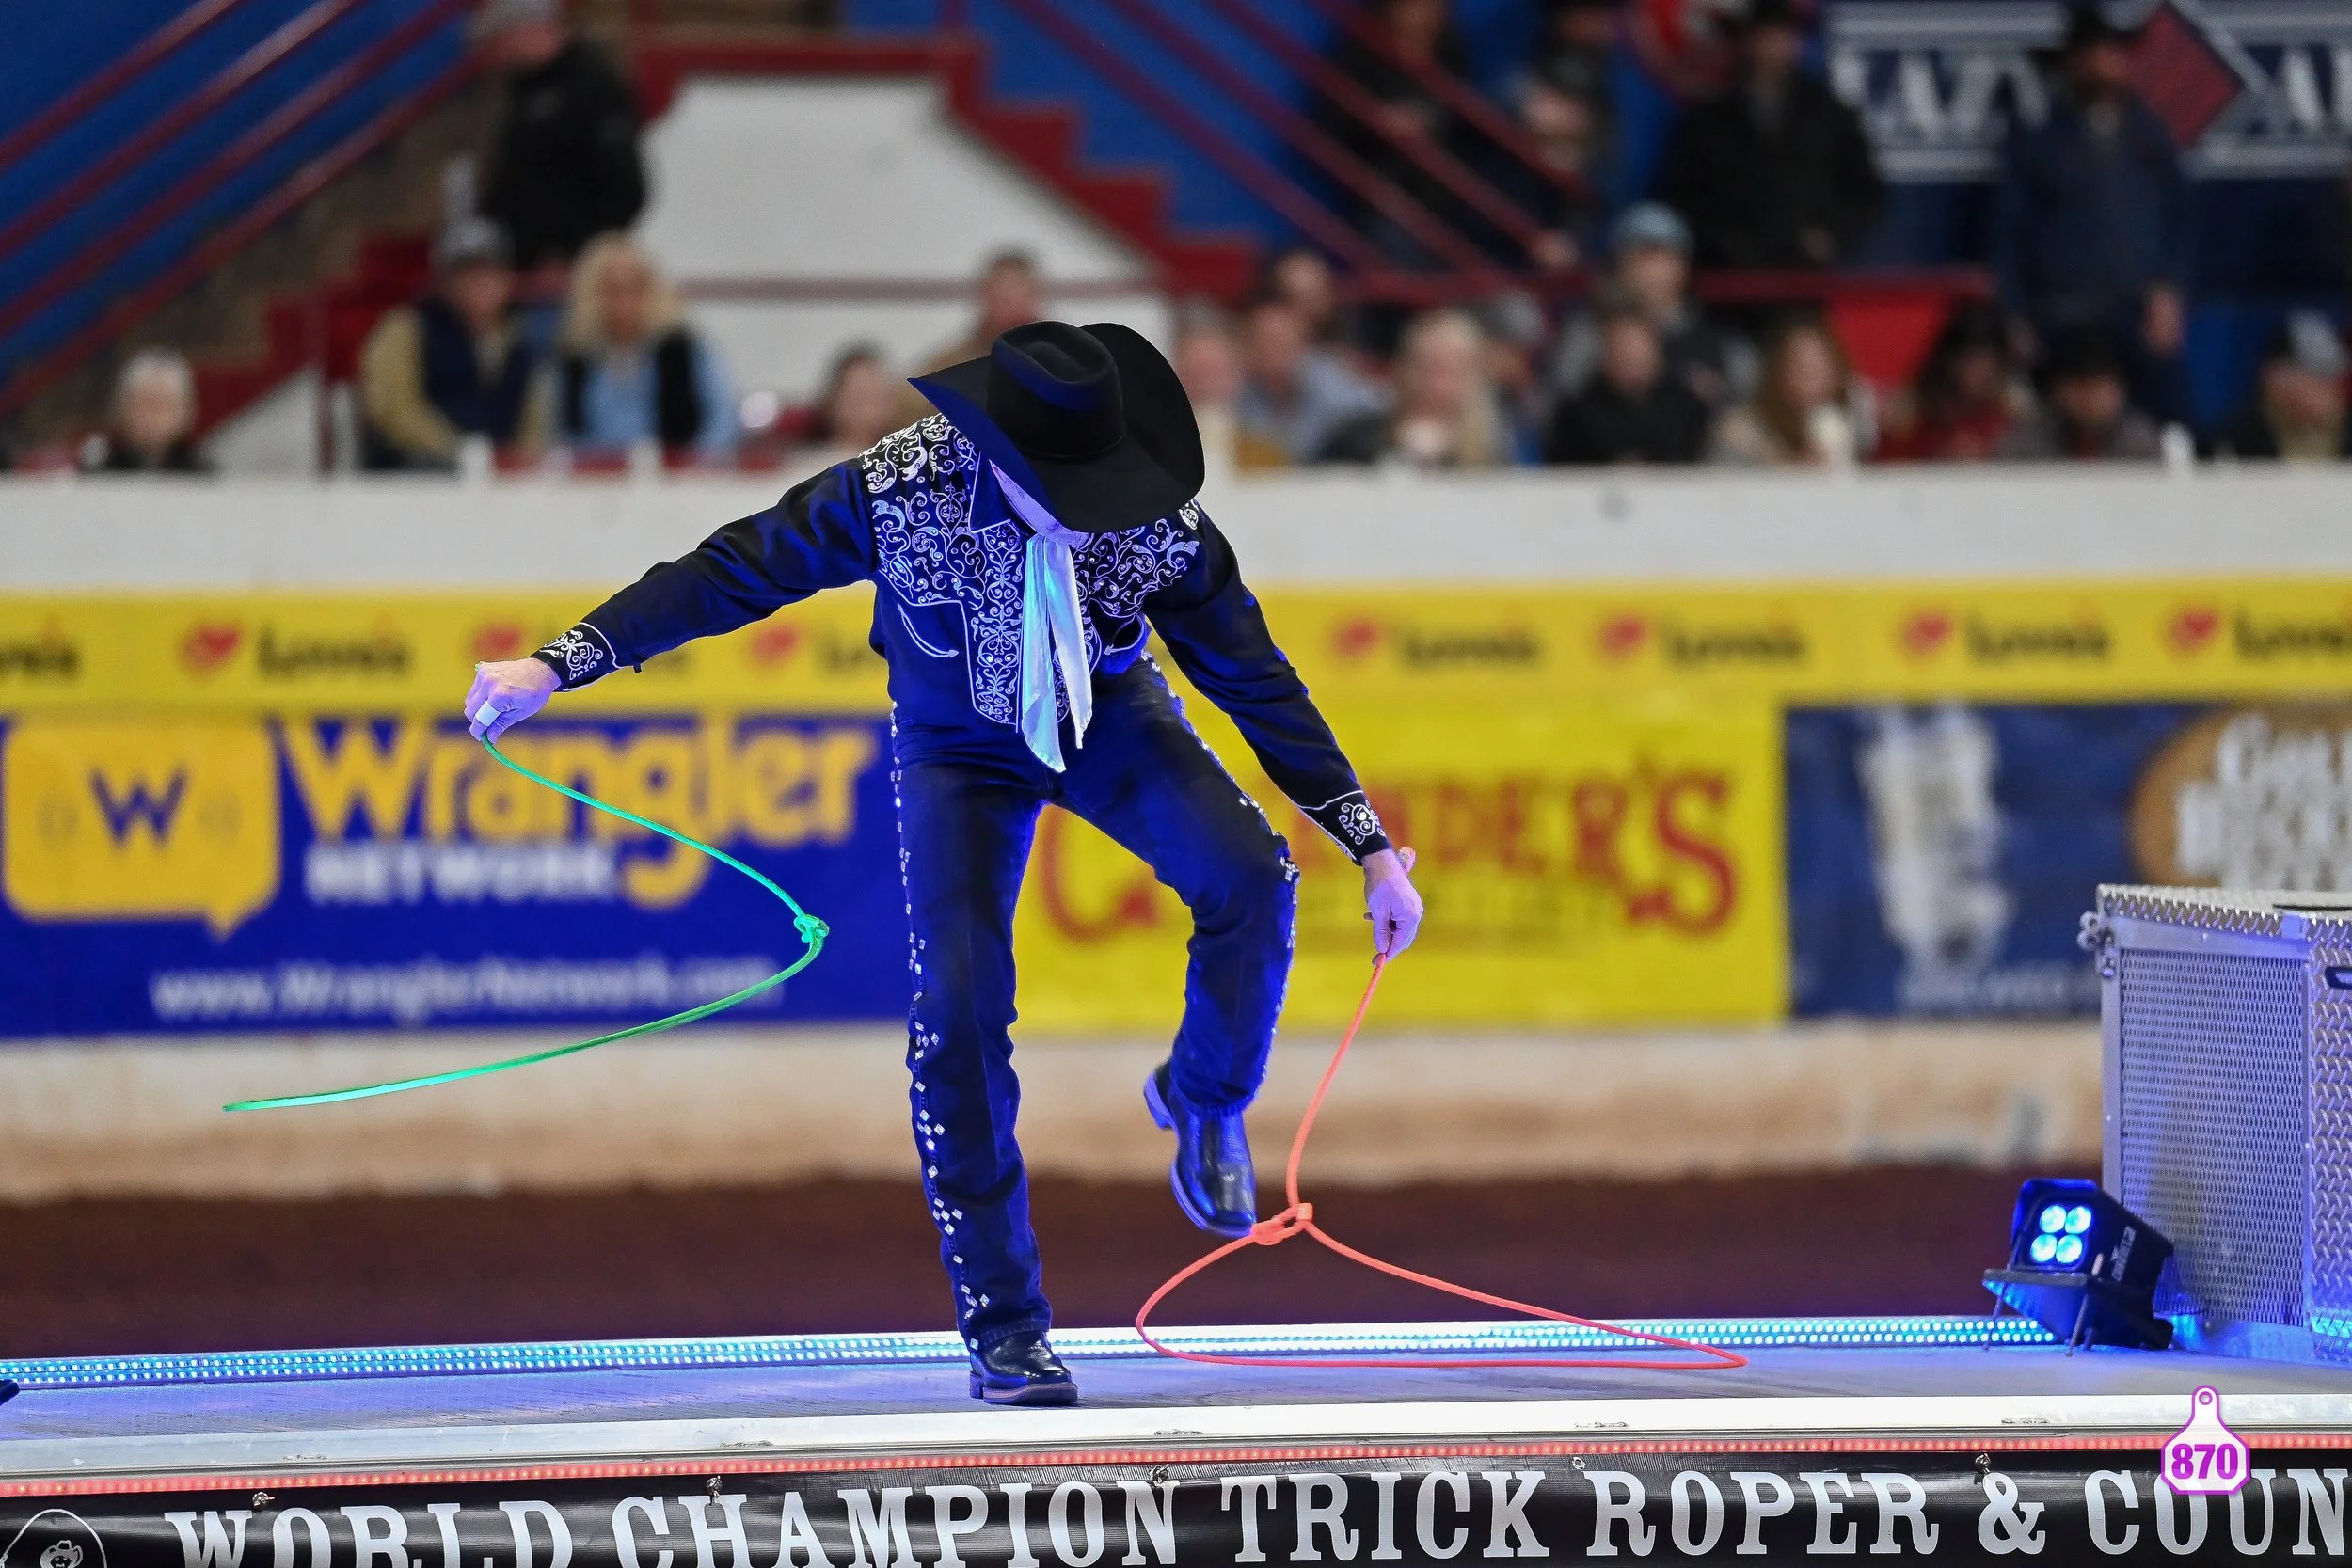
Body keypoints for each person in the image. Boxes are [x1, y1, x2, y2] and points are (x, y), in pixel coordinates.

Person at [462, 321, 1424, 1405]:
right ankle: (1004, 1324)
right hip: (956, 749)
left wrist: (1368, 843)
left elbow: (1252, 673)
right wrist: (561, 661)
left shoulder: (1156, 518)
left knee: (1252, 873)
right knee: (958, 1014)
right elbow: (733, 569)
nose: (1101, 500)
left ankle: (1203, 1096)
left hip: (1109, 709)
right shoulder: (897, 488)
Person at [1994, 5, 2192, 425]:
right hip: (2063, 316)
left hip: (2136, 315)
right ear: (2068, 64)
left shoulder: (2149, 135)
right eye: (2089, 54)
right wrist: (2015, 315)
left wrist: (2170, 289)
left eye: (2111, 52)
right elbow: (2008, 234)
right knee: (2061, 430)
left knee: (2164, 423)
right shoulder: (2039, 142)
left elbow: (2180, 217)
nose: (2102, 64)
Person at [1654, 0, 1885, 270]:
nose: (1774, 47)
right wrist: (1724, 242)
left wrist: (1832, 235)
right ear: (1747, 41)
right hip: (1731, 280)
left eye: (1783, 35)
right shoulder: (1709, 120)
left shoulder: (1829, 114)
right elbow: (1682, 196)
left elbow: (1865, 191)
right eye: (1765, 36)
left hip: (1807, 277)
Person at [358, 217, 546, 471]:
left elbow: (532, 426)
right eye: (464, 273)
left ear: (506, 279)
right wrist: (457, 452)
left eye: (487, 271)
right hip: (416, 478)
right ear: (443, 282)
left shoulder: (519, 346)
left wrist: (512, 463)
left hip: (499, 485)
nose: (477, 283)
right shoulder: (407, 330)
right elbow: (396, 410)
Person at [476, 0, 646, 276]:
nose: (498, 50)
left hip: (567, 275)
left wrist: (569, 254)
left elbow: (624, 189)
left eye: (502, 36)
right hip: (520, 270)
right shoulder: (523, 90)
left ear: (528, 29)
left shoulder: (592, 85)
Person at [1549, 203, 1755, 411]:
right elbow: (1562, 397)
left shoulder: (1722, 346)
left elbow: (1739, 415)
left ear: (1682, 266)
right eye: (1637, 256)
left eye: (1659, 255)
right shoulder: (1589, 330)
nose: (1648, 269)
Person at [553, 234, 739, 464]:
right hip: (598, 483)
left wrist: (695, 467)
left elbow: (722, 422)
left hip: (678, 482)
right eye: (612, 291)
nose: (624, 304)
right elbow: (566, 433)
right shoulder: (578, 359)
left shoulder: (687, 350)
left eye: (635, 290)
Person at [1314, 308, 1511, 468]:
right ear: (1403, 369)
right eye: (1427, 368)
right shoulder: (1356, 441)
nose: (1437, 384)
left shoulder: (1491, 450)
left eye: (1450, 370)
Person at [1545, 298, 1711, 465]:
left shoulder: (1687, 408)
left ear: (1657, 351)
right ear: (1605, 354)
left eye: (1638, 349)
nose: (1630, 357)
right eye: (1621, 348)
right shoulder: (1576, 415)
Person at [1234, 295, 1388, 466]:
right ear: (1246, 349)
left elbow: (1380, 404)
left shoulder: (1328, 379)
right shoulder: (1234, 390)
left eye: (1284, 343)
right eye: (1265, 343)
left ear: (1303, 346)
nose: (1275, 353)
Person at [898, 249, 1047, 423]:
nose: (1010, 308)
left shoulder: (1065, 363)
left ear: (1035, 298)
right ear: (985, 297)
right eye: (1003, 298)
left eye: (1018, 297)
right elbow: (908, 411)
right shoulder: (950, 366)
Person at [1877, 299, 2031, 462]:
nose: (1975, 373)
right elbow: (1886, 474)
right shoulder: (1911, 418)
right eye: (1968, 361)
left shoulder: (2013, 414)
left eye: (1985, 363)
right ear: (1949, 361)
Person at [1709, 316, 1863, 466]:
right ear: (1777, 371)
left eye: (1820, 368)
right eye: (1799, 367)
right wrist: (1787, 465)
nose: (1810, 377)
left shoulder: (1852, 423)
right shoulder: (1740, 430)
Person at [1995, 327, 2162, 461]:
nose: (2088, 398)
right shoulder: (2027, 446)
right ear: (2057, 391)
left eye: (2097, 386)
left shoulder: (2140, 445)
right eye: (2079, 386)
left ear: (2119, 391)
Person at [2209, 312, 2351, 462]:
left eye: (2334, 376)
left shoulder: (2346, 437)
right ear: (2276, 379)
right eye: (2318, 374)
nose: (2331, 388)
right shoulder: (2234, 446)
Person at [79, 349, 210, 473]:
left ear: (185, 412)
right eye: (144, 405)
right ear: (122, 409)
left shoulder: (205, 478)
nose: (151, 418)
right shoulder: (98, 470)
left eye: (161, 406)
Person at [800, 342, 906, 463]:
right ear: (834, 405)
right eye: (861, 397)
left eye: (880, 396)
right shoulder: (813, 469)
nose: (872, 408)